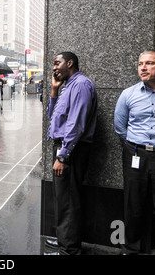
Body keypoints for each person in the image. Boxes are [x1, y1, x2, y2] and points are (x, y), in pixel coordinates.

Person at [114, 50, 155, 255]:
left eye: (149, 63)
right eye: (140, 64)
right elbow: (120, 127)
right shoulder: (129, 94)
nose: (143, 68)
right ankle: (130, 248)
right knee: (133, 203)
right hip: (135, 154)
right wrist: (135, 145)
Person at [46, 52, 98, 255]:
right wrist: (54, 90)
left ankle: (69, 250)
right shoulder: (68, 86)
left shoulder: (81, 85)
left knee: (68, 200)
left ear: (70, 63)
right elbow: (53, 117)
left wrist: (62, 156)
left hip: (70, 150)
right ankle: (63, 240)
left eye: (57, 63)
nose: (54, 68)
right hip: (64, 147)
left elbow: (76, 125)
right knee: (62, 198)